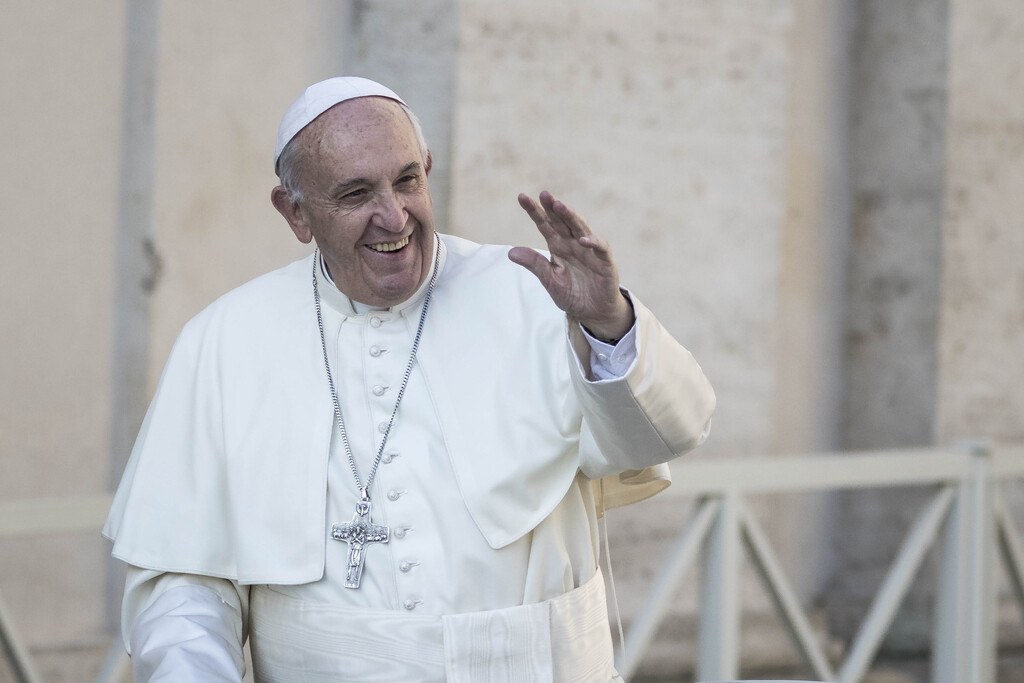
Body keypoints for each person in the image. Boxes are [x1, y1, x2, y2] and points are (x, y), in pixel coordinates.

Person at [103, 76, 716, 682]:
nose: (392, 216)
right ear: (295, 213)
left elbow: (671, 433)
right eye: (355, 194)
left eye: (407, 180)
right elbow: (183, 581)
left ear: (428, 168)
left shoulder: (533, 295)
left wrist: (609, 322)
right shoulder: (225, 341)